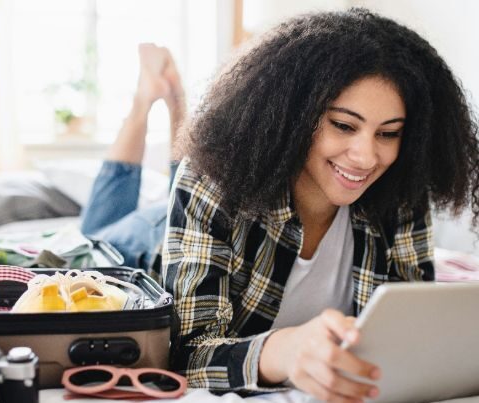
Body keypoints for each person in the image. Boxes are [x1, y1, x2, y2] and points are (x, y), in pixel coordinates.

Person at [162, 7, 479, 402]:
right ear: (292, 116)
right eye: (343, 125)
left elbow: (411, 341)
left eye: (389, 133)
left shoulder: (401, 192)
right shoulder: (214, 180)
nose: (366, 157)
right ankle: (162, 100)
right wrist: (285, 352)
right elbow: (182, 354)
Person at [80, 43, 185, 274]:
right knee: (187, 189)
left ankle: (154, 99)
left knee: (90, 243)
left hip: (156, 230)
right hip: (166, 221)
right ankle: (154, 100)